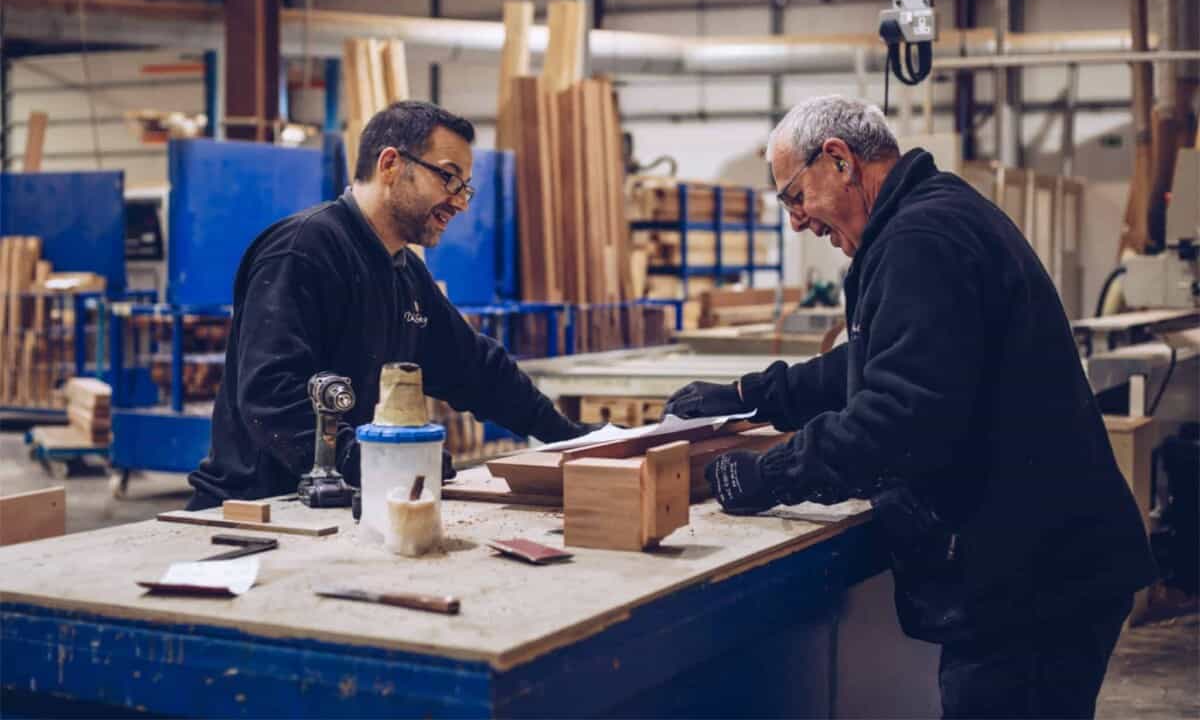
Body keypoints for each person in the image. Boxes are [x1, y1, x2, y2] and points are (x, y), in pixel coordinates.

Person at [665, 96, 1156, 719]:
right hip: (1043, 571)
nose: (796, 222)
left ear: (838, 159)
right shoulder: (932, 216)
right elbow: (880, 360)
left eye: (794, 196)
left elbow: (902, 415)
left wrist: (767, 475)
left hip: (1032, 587)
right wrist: (752, 396)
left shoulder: (921, 239)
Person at [188, 101, 588, 509]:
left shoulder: (403, 272)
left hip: (331, 507)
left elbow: (475, 369)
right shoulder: (304, 250)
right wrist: (367, 458)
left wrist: (569, 436)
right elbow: (270, 396)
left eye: (465, 187)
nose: (460, 202)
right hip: (253, 511)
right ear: (391, 164)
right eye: (449, 178)